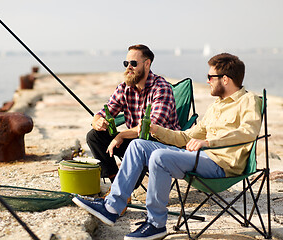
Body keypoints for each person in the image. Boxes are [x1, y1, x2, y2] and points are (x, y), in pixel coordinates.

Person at [73, 53, 262, 240]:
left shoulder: (249, 100)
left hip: (221, 165)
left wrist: (208, 142)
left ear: (226, 79)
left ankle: (156, 223)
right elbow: (186, 137)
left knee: (160, 157)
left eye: (210, 77)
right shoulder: (216, 106)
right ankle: (112, 207)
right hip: (199, 157)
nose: (207, 81)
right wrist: (157, 130)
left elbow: (248, 132)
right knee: (138, 145)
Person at [87, 44, 180, 183]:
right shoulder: (124, 87)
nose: (128, 67)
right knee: (94, 136)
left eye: (133, 63)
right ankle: (116, 182)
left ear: (147, 64)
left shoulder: (161, 88)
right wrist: (97, 122)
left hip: (161, 144)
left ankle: (123, 190)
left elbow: (150, 127)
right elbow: (104, 111)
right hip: (135, 142)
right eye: (126, 63)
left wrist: (121, 135)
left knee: (139, 143)